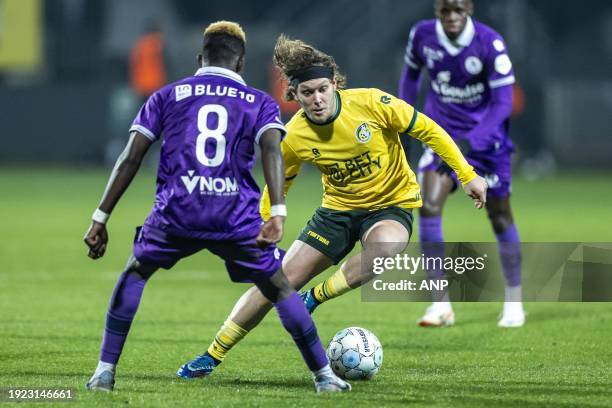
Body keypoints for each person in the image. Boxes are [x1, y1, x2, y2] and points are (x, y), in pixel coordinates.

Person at [177, 34, 487, 378]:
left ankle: (315, 299)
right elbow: (279, 183)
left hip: (390, 204)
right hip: (336, 213)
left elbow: (429, 130)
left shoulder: (372, 104)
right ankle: (212, 354)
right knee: (274, 283)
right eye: (307, 93)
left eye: (323, 89)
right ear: (294, 95)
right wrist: (263, 222)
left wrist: (467, 175)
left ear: (335, 84)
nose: (318, 99)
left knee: (384, 249)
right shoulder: (293, 134)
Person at [84, 21, 350, 393]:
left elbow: (130, 158)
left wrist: (101, 217)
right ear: (240, 63)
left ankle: (104, 372)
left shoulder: (166, 96)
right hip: (234, 217)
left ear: (199, 58)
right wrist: (277, 213)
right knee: (279, 288)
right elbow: (273, 150)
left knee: (136, 272)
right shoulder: (259, 101)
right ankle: (324, 378)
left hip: (176, 211)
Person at [398, 0, 525, 327]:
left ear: (468, 9)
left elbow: (503, 102)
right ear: (436, 10)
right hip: (442, 136)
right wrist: (404, 119)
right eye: (445, 10)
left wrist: (471, 141)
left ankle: (514, 300)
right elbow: (411, 79)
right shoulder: (422, 36)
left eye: (458, 10)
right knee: (428, 207)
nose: (452, 17)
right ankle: (440, 304)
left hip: (485, 144)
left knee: (499, 216)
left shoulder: (490, 44)